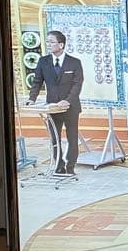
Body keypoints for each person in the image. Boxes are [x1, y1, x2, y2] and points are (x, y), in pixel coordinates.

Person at [25, 30, 84, 175]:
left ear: (61, 45)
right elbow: (37, 82)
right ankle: (59, 165)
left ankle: (70, 166)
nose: (48, 44)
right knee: (54, 138)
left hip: (70, 107)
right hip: (52, 107)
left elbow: (77, 84)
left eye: (51, 42)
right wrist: (32, 98)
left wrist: (67, 100)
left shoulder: (74, 62)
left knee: (72, 138)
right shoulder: (43, 61)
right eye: (48, 42)